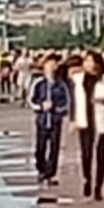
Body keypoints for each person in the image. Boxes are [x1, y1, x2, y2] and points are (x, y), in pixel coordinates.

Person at [73, 49, 104, 201]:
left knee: (101, 155)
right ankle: (87, 179)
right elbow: (74, 100)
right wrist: (73, 119)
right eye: (86, 61)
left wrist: (103, 101)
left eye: (91, 61)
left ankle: (99, 187)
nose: (88, 64)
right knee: (86, 154)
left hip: (102, 120)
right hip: (85, 121)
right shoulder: (78, 79)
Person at [30, 54, 71, 185]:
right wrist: (41, 106)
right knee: (40, 148)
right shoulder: (38, 83)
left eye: (54, 64)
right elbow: (31, 100)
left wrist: (57, 108)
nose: (52, 67)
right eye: (49, 64)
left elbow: (66, 102)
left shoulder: (61, 85)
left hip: (55, 120)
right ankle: (41, 169)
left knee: (54, 148)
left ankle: (50, 173)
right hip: (42, 120)